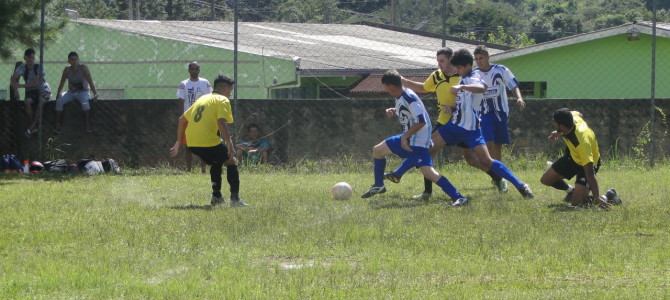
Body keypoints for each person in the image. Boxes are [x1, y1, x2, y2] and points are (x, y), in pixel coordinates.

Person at [402, 47, 506, 200]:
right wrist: (403, 81)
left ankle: (498, 179)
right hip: (444, 122)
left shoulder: (463, 76)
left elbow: (474, 97)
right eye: (437, 61)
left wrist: (455, 108)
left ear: (451, 60)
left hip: (463, 123)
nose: (439, 64)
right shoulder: (437, 76)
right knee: (427, 153)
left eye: (442, 61)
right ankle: (427, 193)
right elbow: (423, 88)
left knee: (472, 159)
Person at [432, 48, 534, 204]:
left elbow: (482, 88)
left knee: (427, 150)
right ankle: (518, 184)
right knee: (479, 159)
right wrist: (452, 108)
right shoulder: (464, 78)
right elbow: (465, 104)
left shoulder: (474, 76)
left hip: (465, 129)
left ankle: (519, 185)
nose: (457, 71)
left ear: (466, 66)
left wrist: (461, 88)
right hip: (462, 128)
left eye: (459, 68)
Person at [360, 70, 467, 206]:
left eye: (386, 87)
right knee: (378, 150)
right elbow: (409, 112)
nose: (385, 90)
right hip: (411, 137)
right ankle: (379, 184)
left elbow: (421, 121)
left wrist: (405, 137)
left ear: (391, 87)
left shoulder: (409, 97)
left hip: (418, 140)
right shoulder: (400, 94)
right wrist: (395, 110)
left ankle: (459, 197)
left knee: (429, 173)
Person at [169, 75, 248, 207]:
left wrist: (178, 143)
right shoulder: (222, 100)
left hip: (192, 143)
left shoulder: (203, 99)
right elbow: (221, 121)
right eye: (230, 90)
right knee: (231, 160)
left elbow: (182, 119)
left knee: (217, 162)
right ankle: (235, 200)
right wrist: (229, 143)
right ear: (223, 88)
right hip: (207, 141)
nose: (230, 93)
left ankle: (216, 197)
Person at [540, 108, 620, 208]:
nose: (554, 125)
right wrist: (558, 132)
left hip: (586, 164)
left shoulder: (582, 142)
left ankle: (609, 196)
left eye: (555, 123)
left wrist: (596, 196)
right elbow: (578, 113)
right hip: (573, 157)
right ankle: (572, 192)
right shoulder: (571, 118)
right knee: (546, 180)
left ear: (562, 125)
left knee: (576, 204)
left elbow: (590, 174)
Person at [474, 45, 526, 192]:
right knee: (488, 144)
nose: (479, 61)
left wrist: (519, 98)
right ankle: (497, 175)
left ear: (488, 57)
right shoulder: (475, 74)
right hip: (483, 113)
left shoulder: (500, 70)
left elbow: (513, 85)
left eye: (481, 58)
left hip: (500, 112)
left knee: (497, 145)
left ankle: (499, 176)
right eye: (476, 59)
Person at [177, 61, 212, 172]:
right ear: (189, 70)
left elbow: (210, 99)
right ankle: (189, 169)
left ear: (199, 70)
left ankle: (203, 169)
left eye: (196, 69)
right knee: (188, 145)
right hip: (188, 117)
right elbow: (181, 101)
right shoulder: (183, 84)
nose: (194, 71)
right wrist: (182, 116)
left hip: (202, 117)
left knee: (203, 144)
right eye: (192, 69)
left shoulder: (205, 83)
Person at [10, 48, 51, 137]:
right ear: (25, 58)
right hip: (31, 91)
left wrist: (19, 86)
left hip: (42, 89)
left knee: (41, 103)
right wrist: (16, 90)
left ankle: (31, 127)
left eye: (32, 58)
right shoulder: (22, 67)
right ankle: (34, 126)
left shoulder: (39, 67)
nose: (31, 60)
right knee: (27, 102)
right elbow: (13, 79)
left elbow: (35, 83)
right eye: (28, 58)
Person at [55, 51, 98, 133]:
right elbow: (62, 83)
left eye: (75, 59)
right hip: (71, 93)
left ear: (78, 60)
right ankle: (57, 125)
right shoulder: (67, 70)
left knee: (85, 104)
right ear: (69, 61)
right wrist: (58, 94)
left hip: (83, 92)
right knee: (59, 101)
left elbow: (90, 81)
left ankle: (88, 125)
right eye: (72, 60)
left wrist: (95, 93)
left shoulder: (83, 68)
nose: (74, 61)